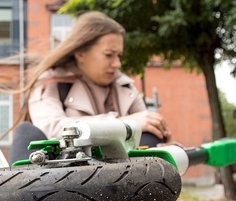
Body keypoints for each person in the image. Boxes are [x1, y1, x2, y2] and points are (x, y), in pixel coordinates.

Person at [18, 11, 171, 146]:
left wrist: (167, 145)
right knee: (25, 132)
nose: (117, 64)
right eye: (109, 55)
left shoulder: (125, 87)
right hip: (63, 175)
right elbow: (53, 129)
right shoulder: (49, 84)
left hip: (122, 174)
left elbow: (145, 124)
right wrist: (124, 124)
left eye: (119, 56)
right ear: (80, 53)